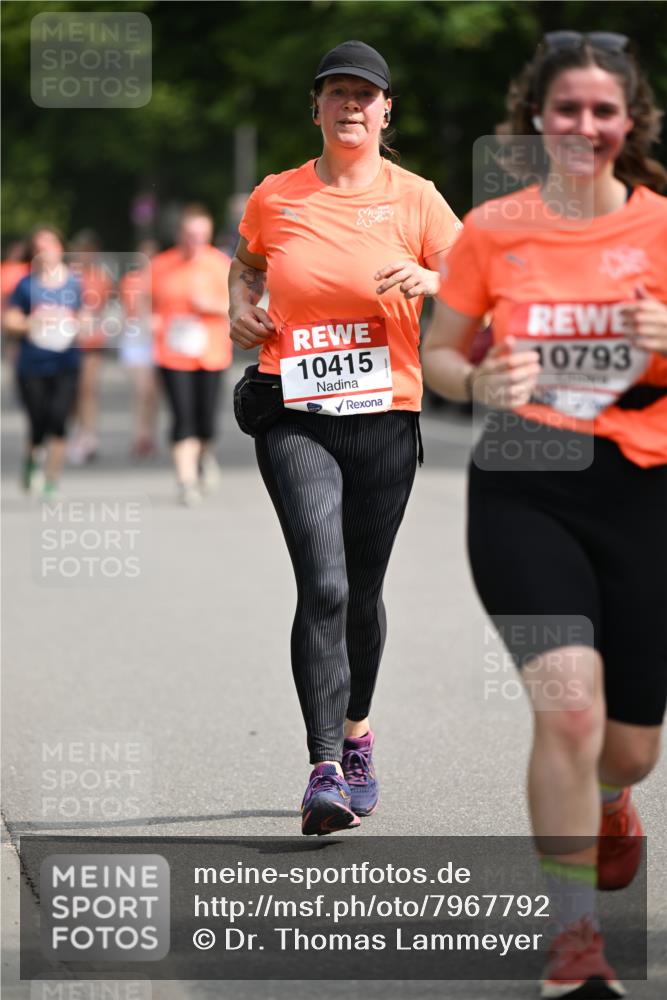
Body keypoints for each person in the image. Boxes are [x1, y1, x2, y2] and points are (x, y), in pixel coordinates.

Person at [422, 31, 667, 999]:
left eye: (603, 110)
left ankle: (609, 799)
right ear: (536, 116)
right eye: (566, 107)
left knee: (628, 746)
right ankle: (573, 945)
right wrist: (475, 379)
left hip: (644, 486)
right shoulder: (494, 228)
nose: (584, 125)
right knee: (567, 709)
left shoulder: (663, 227)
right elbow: (441, 354)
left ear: (629, 121)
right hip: (525, 481)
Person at [229, 40, 460, 836]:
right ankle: (323, 767)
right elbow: (246, 264)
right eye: (337, 92)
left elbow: (482, 279)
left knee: (361, 593)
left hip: (386, 417)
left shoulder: (417, 199)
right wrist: (239, 304)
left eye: (366, 94)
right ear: (316, 107)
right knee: (322, 584)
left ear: (386, 111)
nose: (351, 104)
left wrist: (433, 279)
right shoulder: (276, 195)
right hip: (295, 414)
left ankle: (357, 733)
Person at [151, 204, 232, 506]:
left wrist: (210, 306)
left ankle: (204, 454)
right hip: (172, 353)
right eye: (190, 234)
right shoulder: (161, 265)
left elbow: (237, 307)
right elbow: (146, 303)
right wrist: (150, 320)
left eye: (201, 235)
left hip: (211, 352)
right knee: (182, 416)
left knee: (206, 421)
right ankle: (186, 481)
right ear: (179, 234)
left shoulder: (220, 264)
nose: (195, 240)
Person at [4, 226, 84, 499]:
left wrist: (77, 322)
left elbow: (87, 316)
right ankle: (31, 460)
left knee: (59, 420)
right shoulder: (26, 285)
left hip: (66, 361)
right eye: (39, 248)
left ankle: (51, 480)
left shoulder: (75, 283)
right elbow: (9, 321)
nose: (45, 253)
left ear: (61, 248)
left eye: (50, 246)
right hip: (32, 364)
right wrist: (33, 322)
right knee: (38, 421)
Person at [67, 230, 113, 464]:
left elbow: (104, 307)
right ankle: (77, 431)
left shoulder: (101, 277)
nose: (86, 255)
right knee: (72, 390)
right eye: (82, 251)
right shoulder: (67, 276)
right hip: (69, 339)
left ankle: (89, 435)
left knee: (88, 388)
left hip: (92, 340)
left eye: (90, 251)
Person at [118, 239, 159, 458]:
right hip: (136, 336)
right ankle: (140, 435)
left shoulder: (162, 278)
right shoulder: (130, 280)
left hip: (157, 337)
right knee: (143, 390)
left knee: (152, 393)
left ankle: (148, 434)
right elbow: (128, 310)